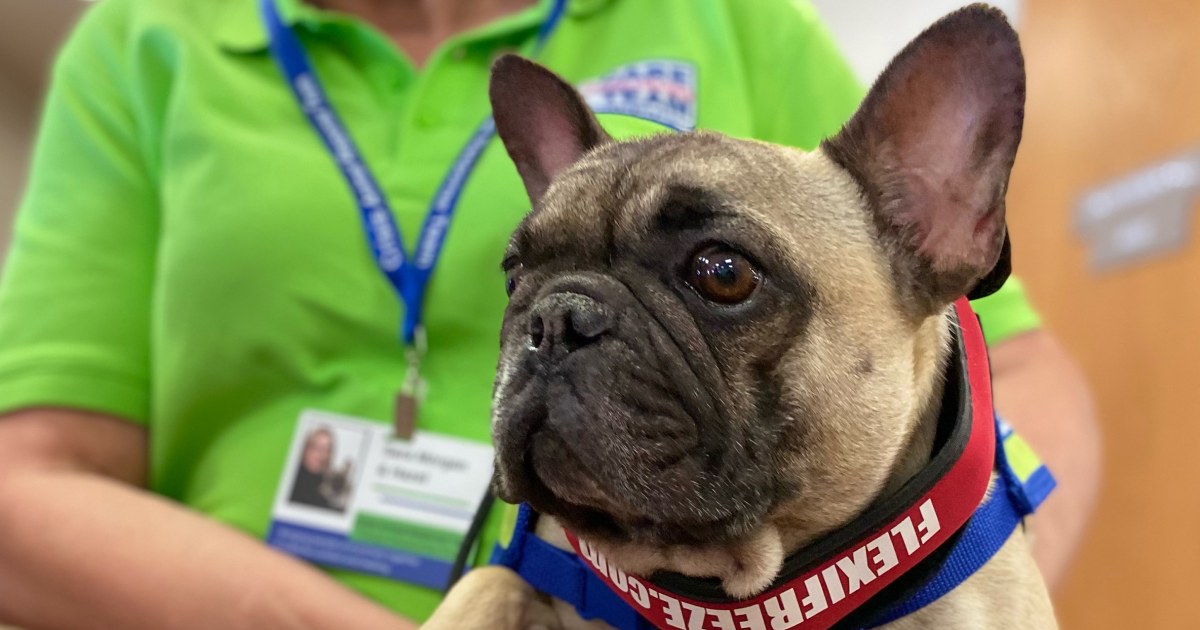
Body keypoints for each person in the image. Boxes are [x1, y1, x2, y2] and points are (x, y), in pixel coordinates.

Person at [0, 0, 1099, 627]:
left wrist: (889, 592)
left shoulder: (728, 14)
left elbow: (1035, 386)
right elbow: (22, 483)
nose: (557, 330)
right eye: (532, 283)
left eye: (719, 280)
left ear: (937, 216)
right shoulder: (146, 42)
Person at [290, 427, 338, 510]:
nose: (323, 455)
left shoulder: (327, 483)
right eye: (318, 448)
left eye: (328, 450)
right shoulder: (292, 479)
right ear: (306, 449)